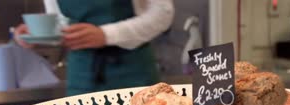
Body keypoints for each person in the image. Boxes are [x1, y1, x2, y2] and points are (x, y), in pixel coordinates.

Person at [14, 0, 174, 96]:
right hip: (82, 75)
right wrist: (38, 32)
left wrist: (106, 34)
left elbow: (163, 13)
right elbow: (62, 22)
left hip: (132, 70)